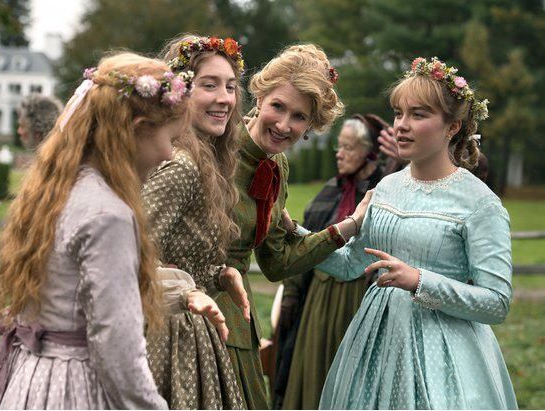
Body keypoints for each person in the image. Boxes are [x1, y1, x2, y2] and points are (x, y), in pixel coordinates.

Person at [0, 52, 223, 410]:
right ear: (137, 129)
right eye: (170, 138)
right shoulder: (109, 215)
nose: (170, 155)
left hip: (32, 378)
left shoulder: (58, 190)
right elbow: (117, 349)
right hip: (73, 388)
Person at [312, 57, 517, 409]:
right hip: (375, 344)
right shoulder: (386, 188)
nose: (402, 126)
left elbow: (496, 303)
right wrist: (290, 233)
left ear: (452, 127)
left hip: (446, 355)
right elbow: (350, 265)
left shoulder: (480, 203)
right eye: (398, 113)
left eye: (418, 115)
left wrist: (420, 281)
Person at [214, 44, 372, 409]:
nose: (284, 125)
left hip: (236, 315)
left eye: (299, 117)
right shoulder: (216, 146)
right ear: (259, 97)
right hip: (190, 309)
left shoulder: (278, 167)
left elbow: (277, 263)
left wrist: (348, 227)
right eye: (278, 106)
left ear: (311, 126)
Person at [142, 34, 247, 409]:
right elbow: (133, 254)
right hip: (168, 333)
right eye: (210, 85)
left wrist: (219, 274)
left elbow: (180, 250)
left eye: (230, 87)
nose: (225, 98)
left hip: (189, 325)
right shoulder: (181, 165)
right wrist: (185, 293)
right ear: (180, 93)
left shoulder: (205, 160)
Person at [274, 114, 396, 410]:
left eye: (349, 147)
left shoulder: (383, 193)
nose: (339, 154)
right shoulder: (328, 193)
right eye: (339, 146)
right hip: (318, 301)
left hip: (357, 299)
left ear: (370, 153)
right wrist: (291, 294)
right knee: (312, 372)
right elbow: (304, 247)